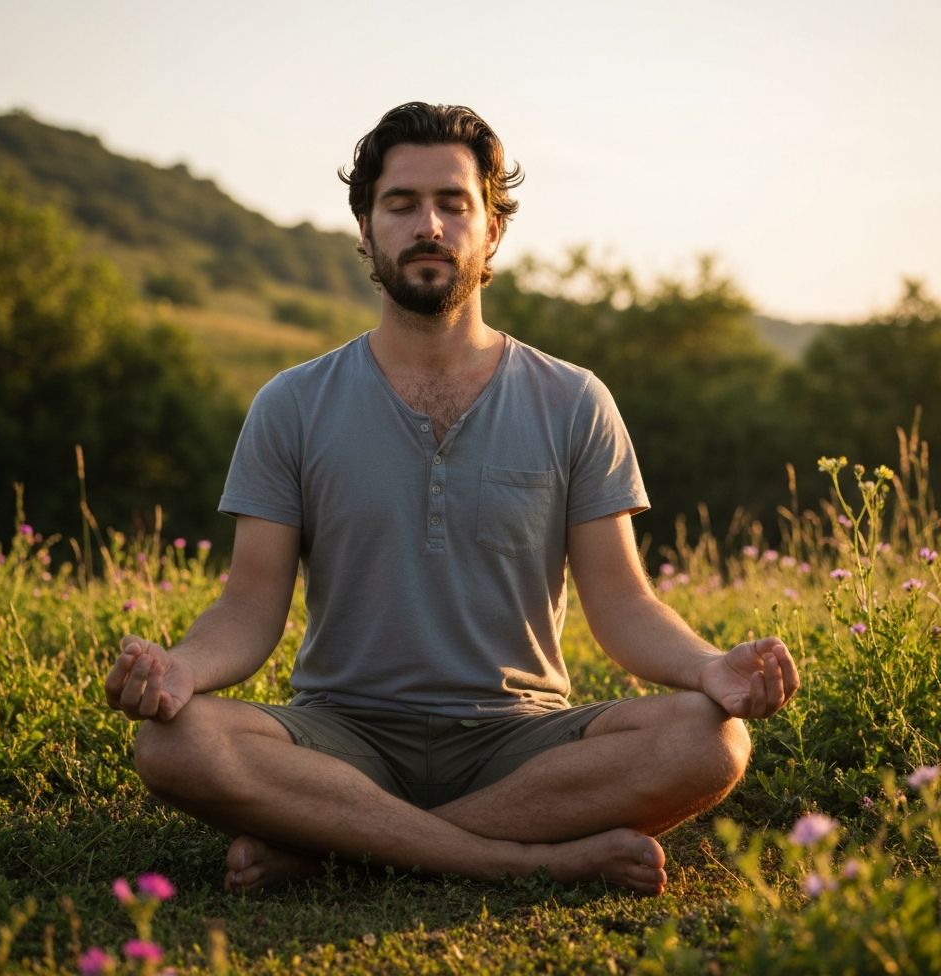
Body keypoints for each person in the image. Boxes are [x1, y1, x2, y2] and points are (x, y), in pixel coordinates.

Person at [105, 102, 799, 897]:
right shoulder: (291, 404)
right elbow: (249, 604)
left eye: (453, 203)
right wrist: (181, 671)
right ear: (366, 230)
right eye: (400, 205)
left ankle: (340, 845)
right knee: (174, 744)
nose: (427, 224)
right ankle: (522, 861)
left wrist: (710, 668)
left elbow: (623, 604)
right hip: (341, 734)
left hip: (521, 740)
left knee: (710, 741)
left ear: (491, 230)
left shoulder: (574, 400)